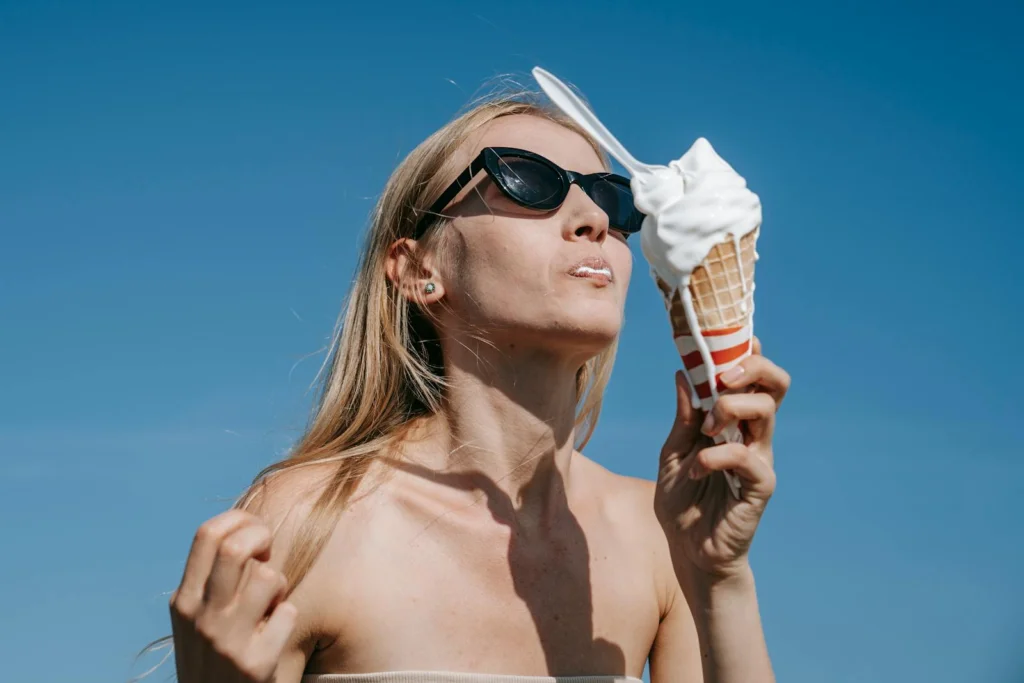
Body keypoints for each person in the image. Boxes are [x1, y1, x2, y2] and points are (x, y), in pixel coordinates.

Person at [165, 89, 790, 683]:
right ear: (419, 270)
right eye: (529, 180)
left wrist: (719, 578)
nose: (594, 218)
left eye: (616, 199)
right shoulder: (305, 520)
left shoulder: (661, 530)